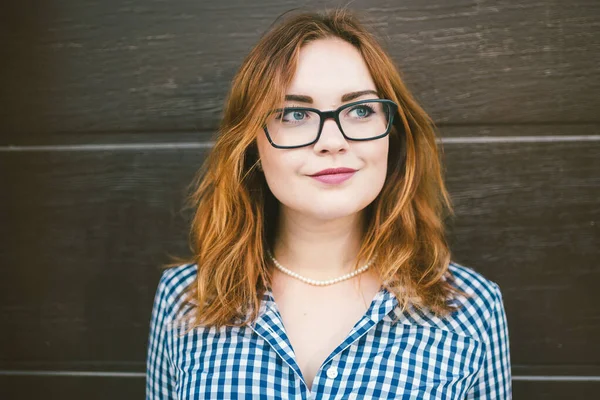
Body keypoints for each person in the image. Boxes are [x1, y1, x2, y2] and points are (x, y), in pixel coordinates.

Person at [146, 8, 511, 400]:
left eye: (360, 110)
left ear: (393, 135)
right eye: (296, 114)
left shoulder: (471, 308)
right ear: (252, 144)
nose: (332, 141)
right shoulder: (186, 298)